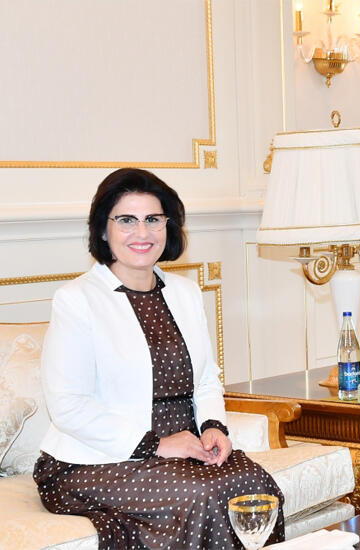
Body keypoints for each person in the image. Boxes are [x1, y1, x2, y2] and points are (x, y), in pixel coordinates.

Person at [35, 168, 285, 549]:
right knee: (201, 496)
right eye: (126, 220)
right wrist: (156, 445)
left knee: (254, 484)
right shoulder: (76, 301)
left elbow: (206, 378)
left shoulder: (185, 292)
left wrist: (213, 426)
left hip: (187, 450)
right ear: (103, 230)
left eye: (153, 219)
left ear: (168, 226)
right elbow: (68, 406)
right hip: (97, 460)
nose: (142, 232)